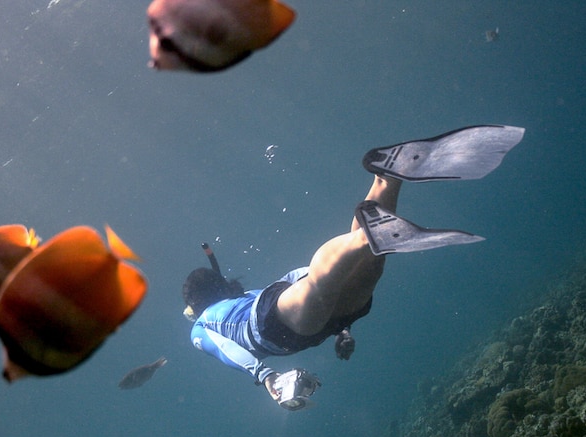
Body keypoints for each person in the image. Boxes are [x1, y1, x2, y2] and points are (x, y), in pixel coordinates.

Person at [183, 125, 525, 410]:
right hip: (308, 317)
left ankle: (365, 238)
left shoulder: (200, 325)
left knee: (342, 276)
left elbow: (225, 349)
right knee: (361, 269)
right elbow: (296, 278)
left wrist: (265, 376)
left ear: (196, 302)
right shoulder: (240, 299)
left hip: (276, 328)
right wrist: (341, 331)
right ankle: (388, 178)